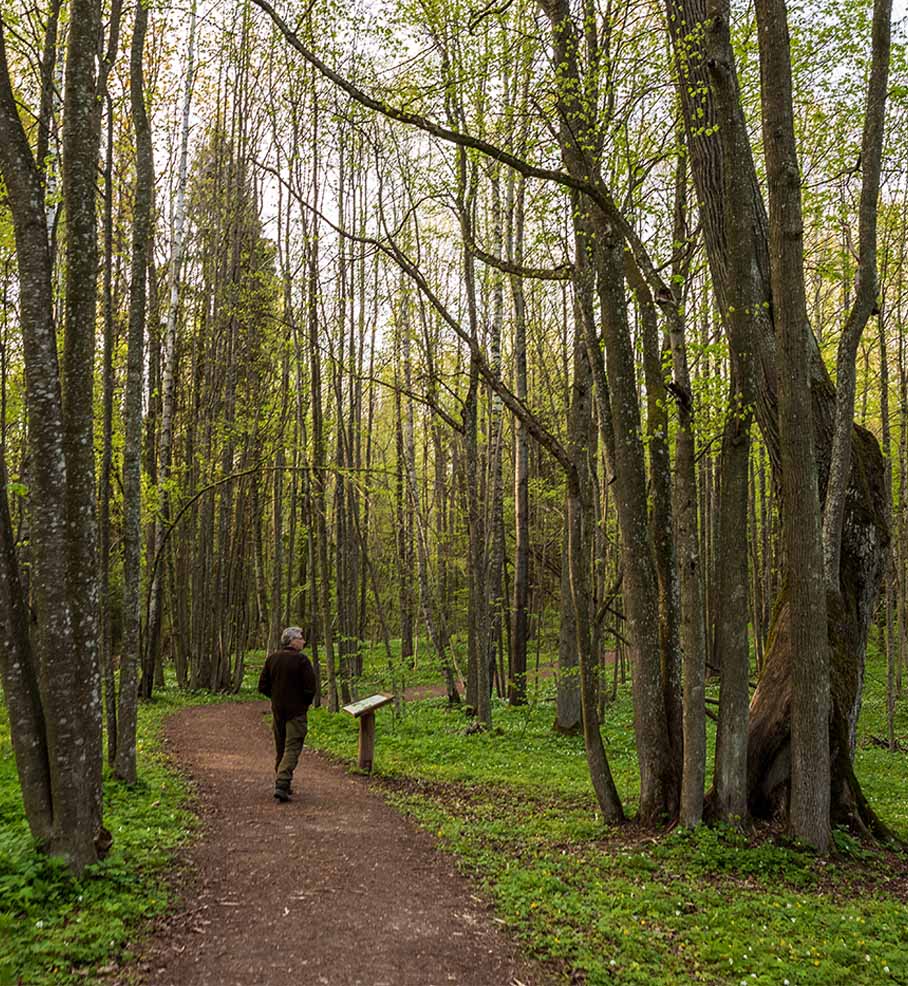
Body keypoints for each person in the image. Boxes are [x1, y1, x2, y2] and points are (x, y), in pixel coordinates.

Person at [258, 626, 316, 802]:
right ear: (292, 640)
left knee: (281, 748)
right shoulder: (301, 661)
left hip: (278, 711)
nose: (303, 641)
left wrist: (276, 697)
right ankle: (282, 782)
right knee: (292, 747)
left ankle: (282, 782)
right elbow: (310, 688)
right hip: (296, 713)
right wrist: (303, 703)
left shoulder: (272, 659)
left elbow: (262, 686)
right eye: (300, 638)